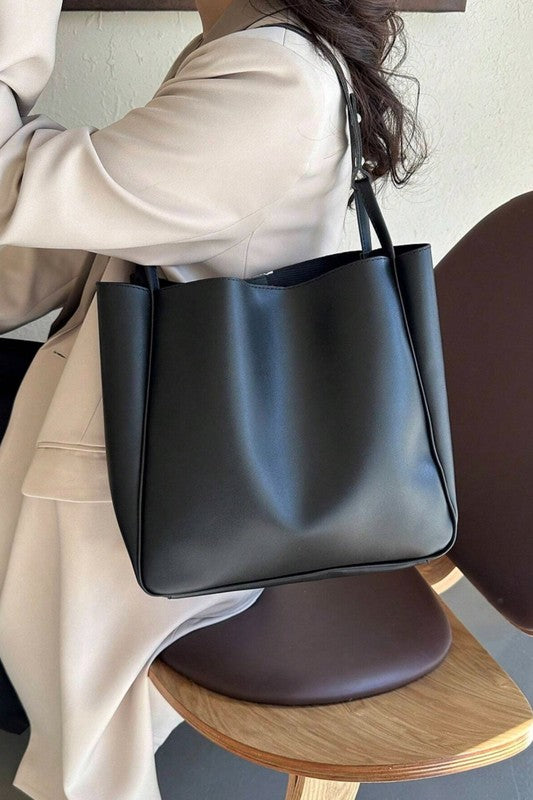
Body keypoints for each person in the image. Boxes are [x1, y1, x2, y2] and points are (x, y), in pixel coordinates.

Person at [0, 0, 426, 798]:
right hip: (181, 429)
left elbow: (17, 189)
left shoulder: (272, 76)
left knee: (84, 753)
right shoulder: (255, 53)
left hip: (171, 482)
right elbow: (81, 223)